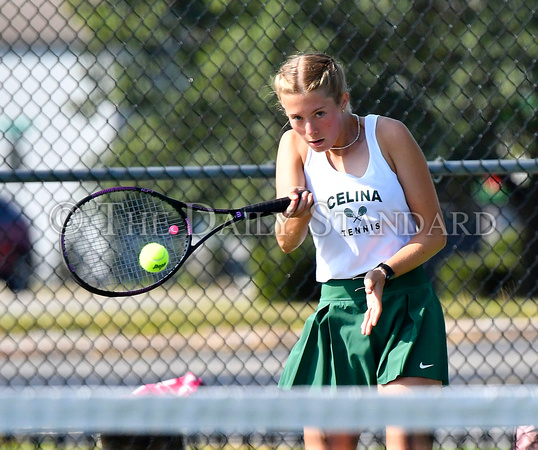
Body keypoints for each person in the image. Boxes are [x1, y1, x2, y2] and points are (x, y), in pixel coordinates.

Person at [272, 52, 449, 450]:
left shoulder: (389, 135)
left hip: (405, 305)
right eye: (296, 118)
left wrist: (382, 271)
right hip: (337, 311)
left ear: (344, 101)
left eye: (319, 114)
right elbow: (287, 241)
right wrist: (298, 214)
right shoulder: (294, 148)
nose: (309, 129)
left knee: (405, 436)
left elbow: (434, 233)